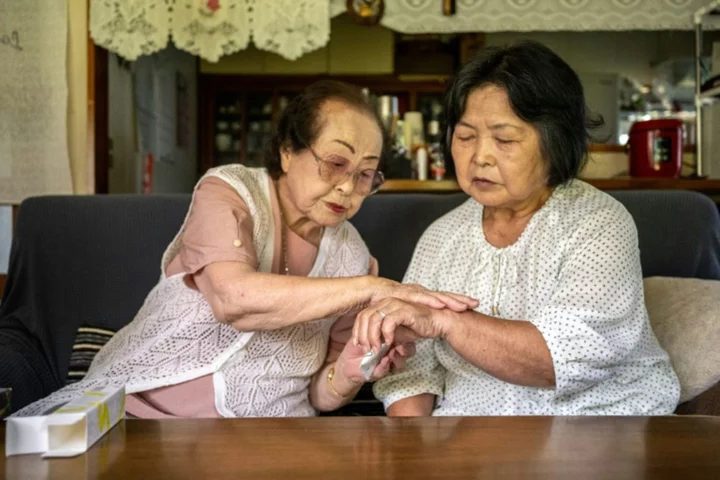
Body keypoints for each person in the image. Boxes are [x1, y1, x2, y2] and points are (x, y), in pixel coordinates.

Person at [14, 80, 476, 418]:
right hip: (140, 414)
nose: (347, 187)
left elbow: (320, 395)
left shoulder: (353, 255)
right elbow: (233, 300)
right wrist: (373, 290)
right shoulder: (230, 191)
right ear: (288, 152)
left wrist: (352, 372)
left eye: (364, 175)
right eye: (335, 162)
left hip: (268, 437)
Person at [354, 41, 680, 416]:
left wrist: (446, 322)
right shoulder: (441, 237)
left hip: (595, 431)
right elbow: (412, 371)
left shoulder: (598, 224)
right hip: (470, 448)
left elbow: (564, 357)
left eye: (504, 139)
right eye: (465, 136)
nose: (480, 156)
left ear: (555, 143)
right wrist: (413, 453)